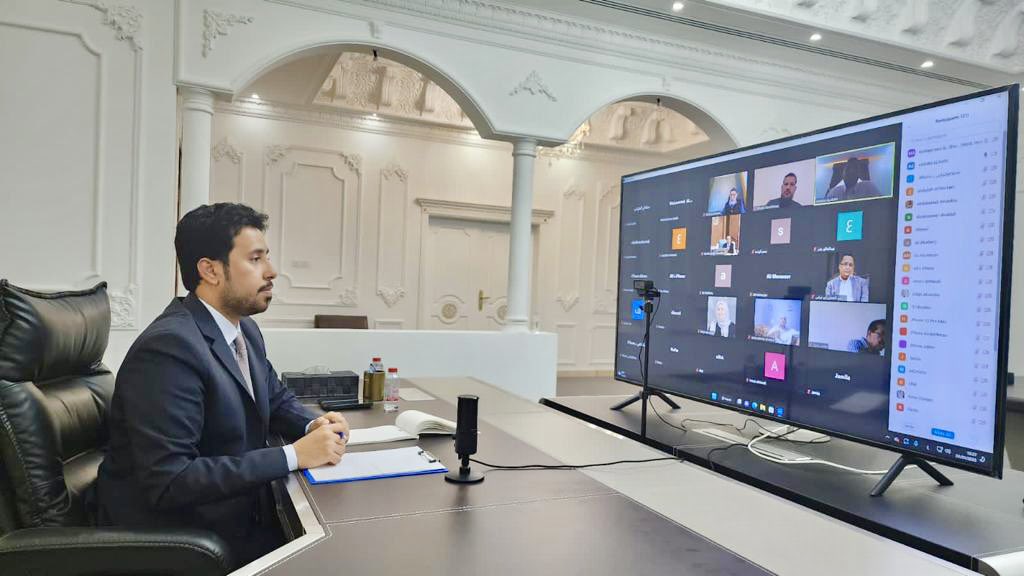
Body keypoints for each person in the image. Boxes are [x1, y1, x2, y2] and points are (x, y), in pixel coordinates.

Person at [97, 203, 351, 566]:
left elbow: (274, 398)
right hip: (187, 537)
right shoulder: (170, 348)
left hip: (239, 514)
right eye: (256, 259)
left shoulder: (243, 330)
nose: (272, 271)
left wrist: (314, 425)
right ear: (210, 270)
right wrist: (294, 455)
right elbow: (172, 479)